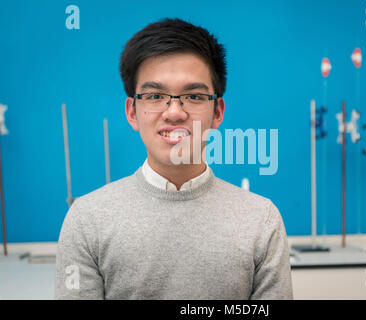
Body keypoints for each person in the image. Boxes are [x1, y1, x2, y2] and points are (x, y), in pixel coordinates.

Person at [55, 17, 293, 300]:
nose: (175, 112)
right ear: (132, 111)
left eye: (193, 96)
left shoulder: (261, 220)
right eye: (155, 95)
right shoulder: (86, 219)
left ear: (217, 112)